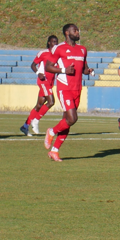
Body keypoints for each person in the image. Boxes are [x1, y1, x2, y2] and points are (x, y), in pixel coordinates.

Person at [43, 24, 94, 162]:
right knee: (72, 118)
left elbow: (83, 68)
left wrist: (88, 71)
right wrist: (64, 70)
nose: (78, 32)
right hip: (64, 88)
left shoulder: (82, 49)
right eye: (75, 30)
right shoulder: (59, 48)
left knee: (67, 121)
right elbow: (48, 67)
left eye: (78, 30)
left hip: (77, 89)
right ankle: (51, 131)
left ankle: (54, 151)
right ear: (67, 33)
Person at [21, 35, 59, 136]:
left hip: (50, 82)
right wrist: (38, 73)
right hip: (43, 80)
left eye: (56, 42)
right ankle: (36, 120)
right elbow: (33, 65)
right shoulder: (43, 53)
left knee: (39, 105)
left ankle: (25, 126)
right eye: (53, 42)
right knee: (51, 102)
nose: (55, 44)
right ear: (49, 43)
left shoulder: (58, 55)